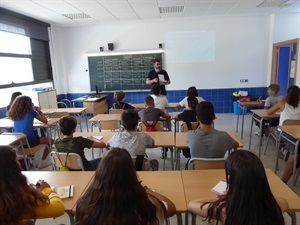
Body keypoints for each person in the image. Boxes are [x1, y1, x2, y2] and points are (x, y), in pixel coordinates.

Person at [75, 148, 176, 225]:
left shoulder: (85, 205)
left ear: (100, 172)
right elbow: (170, 207)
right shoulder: (146, 207)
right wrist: (150, 192)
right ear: (131, 173)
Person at [188, 150, 288, 225]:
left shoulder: (225, 209)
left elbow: (191, 204)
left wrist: (228, 196)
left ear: (230, 179)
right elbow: (283, 201)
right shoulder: (276, 205)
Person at [0, 146, 65, 225]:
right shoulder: (18, 197)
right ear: (12, 168)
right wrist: (47, 189)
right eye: (17, 160)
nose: (20, 163)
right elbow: (58, 208)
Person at [7, 95, 53, 169]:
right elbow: (45, 120)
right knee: (51, 141)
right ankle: (43, 161)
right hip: (29, 141)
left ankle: (30, 161)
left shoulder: (15, 113)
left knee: (29, 139)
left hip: (18, 142)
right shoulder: (31, 112)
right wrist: (39, 111)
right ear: (28, 104)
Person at [266, 85, 300, 184]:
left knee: (271, 128)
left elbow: (268, 112)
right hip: (297, 135)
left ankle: (282, 148)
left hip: (284, 135)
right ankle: (285, 149)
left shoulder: (282, 103)